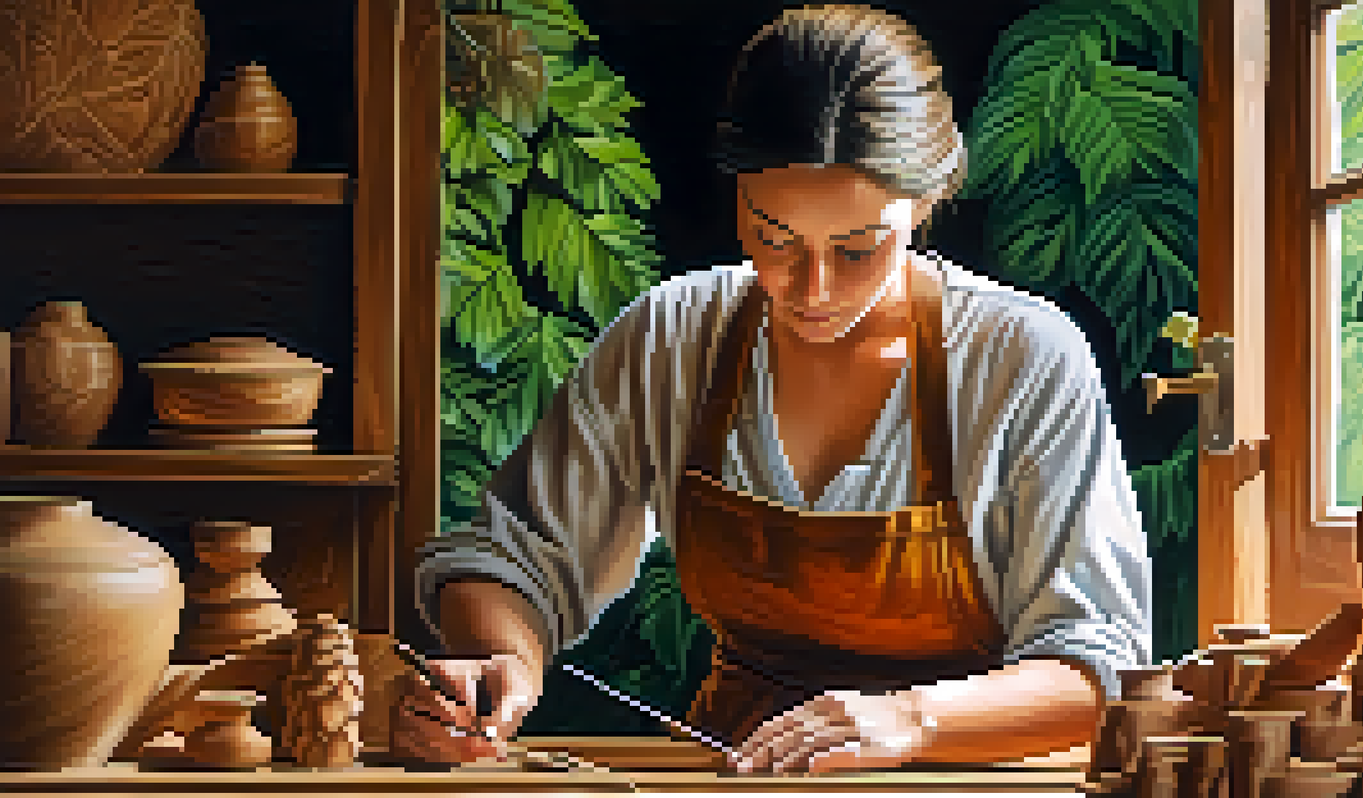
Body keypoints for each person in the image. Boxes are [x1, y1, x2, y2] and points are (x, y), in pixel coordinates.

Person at [395, 3, 1152, 773]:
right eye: (773, 236)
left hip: (966, 779)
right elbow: (516, 558)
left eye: (859, 250)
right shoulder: (675, 336)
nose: (811, 288)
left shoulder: (1020, 357)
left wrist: (913, 721)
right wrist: (505, 664)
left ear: (925, 204)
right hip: (737, 773)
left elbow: (1098, 669)